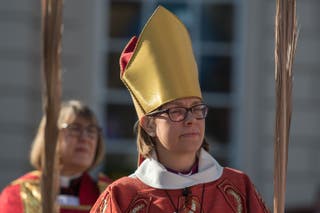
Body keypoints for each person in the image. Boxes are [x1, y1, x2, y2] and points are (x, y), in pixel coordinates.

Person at [91, 6, 269, 213]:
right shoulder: (122, 197)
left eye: (196, 108)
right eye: (176, 111)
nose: (191, 119)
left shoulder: (238, 188)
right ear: (149, 124)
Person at [0, 100, 112, 213]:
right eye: (74, 128)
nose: (85, 137)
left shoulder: (109, 196)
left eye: (91, 130)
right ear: (50, 137)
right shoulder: (20, 194)